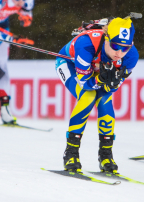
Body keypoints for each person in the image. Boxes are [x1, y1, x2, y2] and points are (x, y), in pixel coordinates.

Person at [56, 16, 139, 172]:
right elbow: (85, 83)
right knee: (88, 96)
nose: (119, 53)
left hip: (94, 70)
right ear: (106, 38)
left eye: (125, 48)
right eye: (115, 46)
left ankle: (106, 154)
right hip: (69, 64)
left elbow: (112, 88)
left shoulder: (131, 56)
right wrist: (100, 79)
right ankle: (71, 152)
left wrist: (110, 85)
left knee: (105, 99)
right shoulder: (86, 45)